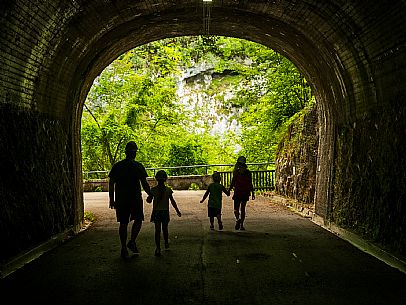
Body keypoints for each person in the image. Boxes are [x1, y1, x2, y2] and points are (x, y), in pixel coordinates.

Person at [108, 141, 152, 258]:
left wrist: (112, 199)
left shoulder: (117, 166)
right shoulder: (138, 166)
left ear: (125, 152)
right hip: (135, 198)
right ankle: (132, 241)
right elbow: (144, 183)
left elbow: (111, 183)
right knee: (138, 219)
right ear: (135, 153)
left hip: (121, 199)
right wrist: (151, 194)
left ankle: (123, 247)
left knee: (123, 223)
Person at [146, 170, 181, 257]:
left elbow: (149, 201)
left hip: (157, 212)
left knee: (157, 230)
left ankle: (158, 248)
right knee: (165, 229)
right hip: (165, 212)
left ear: (156, 179)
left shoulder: (153, 190)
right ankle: (166, 243)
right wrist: (177, 210)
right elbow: (173, 201)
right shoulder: (168, 190)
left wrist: (149, 197)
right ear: (165, 179)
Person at [228, 156, 255, 230]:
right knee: (243, 209)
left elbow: (233, 182)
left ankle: (238, 219)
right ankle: (242, 225)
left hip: (238, 192)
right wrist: (252, 192)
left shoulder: (236, 172)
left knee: (236, 208)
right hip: (245, 192)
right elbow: (250, 183)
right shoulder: (248, 173)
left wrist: (229, 190)